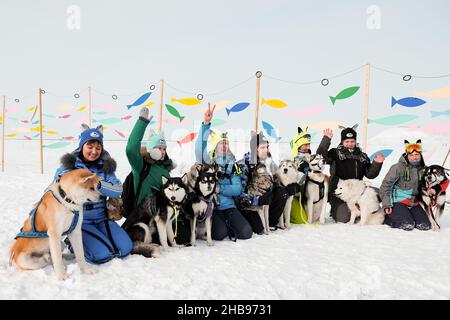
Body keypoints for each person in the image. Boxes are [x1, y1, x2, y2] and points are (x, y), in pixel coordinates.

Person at [55, 124, 132, 264]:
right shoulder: (69, 167)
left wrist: (96, 183)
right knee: (102, 255)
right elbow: (60, 187)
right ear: (81, 146)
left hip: (102, 219)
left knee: (125, 248)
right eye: (89, 147)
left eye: (98, 147)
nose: (94, 151)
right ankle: (72, 241)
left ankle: (97, 239)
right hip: (79, 221)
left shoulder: (106, 167)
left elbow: (118, 189)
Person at [195, 103, 253, 241]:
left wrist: (219, 188)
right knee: (219, 234)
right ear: (216, 145)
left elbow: (237, 188)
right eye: (221, 142)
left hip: (228, 206)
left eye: (226, 142)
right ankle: (222, 226)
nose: (224, 145)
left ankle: (228, 223)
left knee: (246, 233)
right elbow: (198, 149)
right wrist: (206, 124)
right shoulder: (209, 162)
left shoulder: (233, 165)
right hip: (212, 207)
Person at [318, 125, 384, 223]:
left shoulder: (362, 156)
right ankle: (336, 210)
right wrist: (326, 139)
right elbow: (320, 156)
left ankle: (367, 210)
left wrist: (377, 164)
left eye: (352, 141)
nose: (350, 144)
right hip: (339, 192)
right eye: (347, 141)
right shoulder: (335, 153)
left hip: (357, 191)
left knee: (382, 194)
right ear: (342, 142)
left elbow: (370, 174)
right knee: (344, 218)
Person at [379, 139, 431, 231]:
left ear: (420, 155)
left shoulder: (424, 169)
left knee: (425, 225)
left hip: (413, 202)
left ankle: (408, 215)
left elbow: (428, 187)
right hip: (397, 201)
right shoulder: (398, 167)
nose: (415, 157)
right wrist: (387, 204)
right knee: (407, 224)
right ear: (407, 156)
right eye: (411, 155)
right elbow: (385, 186)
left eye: (417, 154)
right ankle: (388, 218)